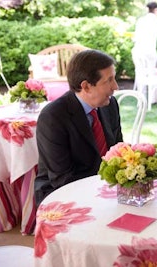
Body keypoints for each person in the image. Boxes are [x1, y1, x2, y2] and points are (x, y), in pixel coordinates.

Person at [34, 49, 123, 206]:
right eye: (108, 80)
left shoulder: (109, 105)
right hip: (61, 194)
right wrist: (102, 194)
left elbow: (118, 151)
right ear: (86, 87)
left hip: (104, 186)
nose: (115, 86)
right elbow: (62, 178)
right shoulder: (53, 117)